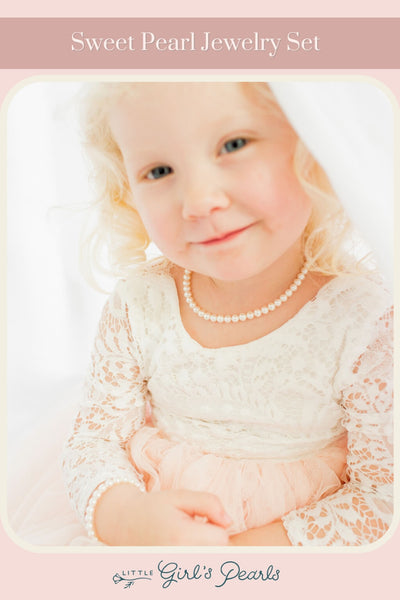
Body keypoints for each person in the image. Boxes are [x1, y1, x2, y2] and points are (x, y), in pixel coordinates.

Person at [62, 81, 393, 546]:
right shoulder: (140, 303)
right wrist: (127, 516)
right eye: (158, 170)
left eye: (233, 144)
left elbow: (382, 498)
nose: (199, 201)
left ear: (314, 149)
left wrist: (228, 559)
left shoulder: (367, 323)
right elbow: (94, 443)